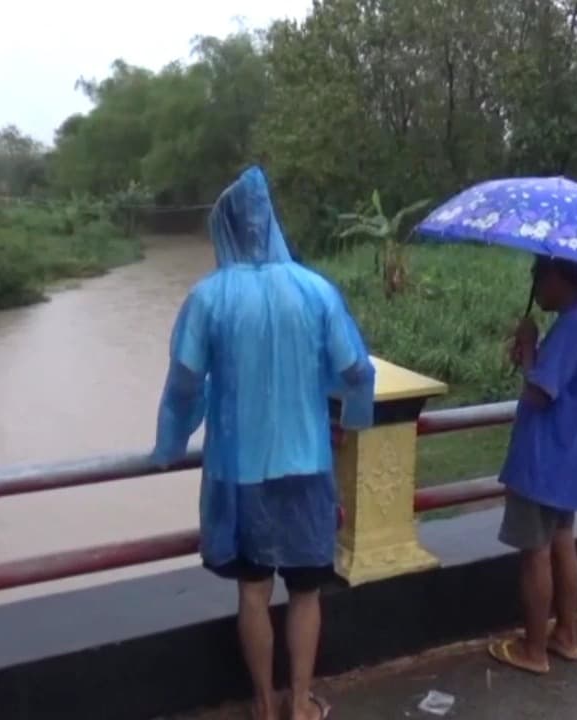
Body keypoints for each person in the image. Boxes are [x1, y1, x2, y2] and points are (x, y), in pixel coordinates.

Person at [151, 166, 375, 720]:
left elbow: (184, 381)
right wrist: (351, 414)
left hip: (240, 471)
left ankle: (263, 706)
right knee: (306, 592)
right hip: (308, 465)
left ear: (224, 228)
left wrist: (171, 443)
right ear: (271, 222)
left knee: (253, 592)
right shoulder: (316, 290)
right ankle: (299, 704)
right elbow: (356, 369)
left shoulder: (208, 298)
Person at [488, 256, 577, 675]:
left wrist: (529, 350)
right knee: (563, 542)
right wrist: (535, 353)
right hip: (573, 458)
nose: (535, 286)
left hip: (544, 459)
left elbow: (539, 394)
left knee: (536, 553)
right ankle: (567, 636)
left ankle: (534, 650)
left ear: (558, 277)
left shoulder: (570, 328)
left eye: (537, 276)